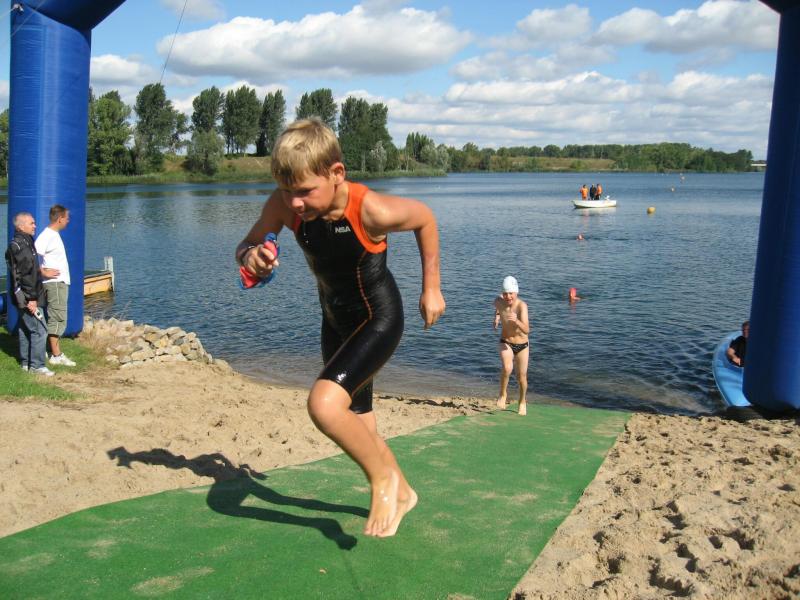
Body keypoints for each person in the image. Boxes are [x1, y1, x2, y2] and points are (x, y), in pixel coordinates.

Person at [235, 118, 445, 538]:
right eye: (287, 191)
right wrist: (252, 257)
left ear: (336, 173)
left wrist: (432, 288)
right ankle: (403, 491)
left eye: (304, 191)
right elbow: (246, 245)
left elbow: (425, 218)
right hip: (334, 321)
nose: (295, 203)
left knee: (324, 405)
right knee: (358, 422)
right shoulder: (284, 204)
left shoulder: (370, 209)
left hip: (378, 319)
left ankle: (383, 481)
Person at [4, 212, 54, 376]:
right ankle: (37, 366)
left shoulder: (25, 241)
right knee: (40, 329)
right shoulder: (20, 246)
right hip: (26, 297)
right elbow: (25, 275)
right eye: (31, 223)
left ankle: (26, 362)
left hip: (24, 295)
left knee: (26, 328)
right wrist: (31, 299)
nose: (35, 226)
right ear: (21, 226)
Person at [35, 204, 76, 367]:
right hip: (55, 284)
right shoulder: (47, 235)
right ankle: (56, 355)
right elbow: (32, 255)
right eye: (67, 218)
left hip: (59, 283)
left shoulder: (53, 235)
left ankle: (50, 350)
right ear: (60, 219)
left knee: (57, 316)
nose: (68, 221)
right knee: (58, 317)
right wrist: (43, 272)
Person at [493, 276, 530, 416]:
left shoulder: (521, 306)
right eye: (505, 293)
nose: (508, 296)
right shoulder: (499, 301)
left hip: (522, 345)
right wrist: (497, 317)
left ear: (516, 292)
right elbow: (498, 306)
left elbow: (527, 330)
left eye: (511, 293)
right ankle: (503, 394)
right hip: (506, 341)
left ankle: (522, 401)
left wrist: (517, 321)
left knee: (521, 377)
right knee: (507, 368)